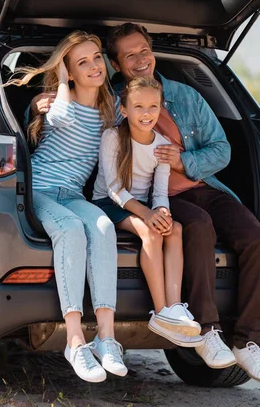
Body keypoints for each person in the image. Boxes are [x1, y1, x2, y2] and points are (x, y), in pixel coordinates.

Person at [30, 23, 260, 385]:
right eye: (129, 55)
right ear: (117, 65)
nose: (141, 59)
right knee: (191, 227)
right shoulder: (112, 105)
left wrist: (182, 162)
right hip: (130, 196)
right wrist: (37, 102)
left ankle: (247, 341)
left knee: (256, 239)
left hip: (197, 185)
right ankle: (201, 330)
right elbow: (63, 123)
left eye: (144, 50)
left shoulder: (184, 96)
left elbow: (221, 150)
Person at [8, 30, 127, 384]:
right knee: (72, 230)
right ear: (69, 72)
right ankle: (74, 341)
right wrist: (60, 81)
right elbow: (59, 119)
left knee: (103, 227)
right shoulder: (58, 100)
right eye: (82, 62)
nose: (94, 66)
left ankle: (106, 338)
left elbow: (138, 125)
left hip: (74, 194)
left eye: (96, 58)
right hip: (40, 189)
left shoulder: (111, 109)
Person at [92, 76, 203, 347]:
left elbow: (160, 192)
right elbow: (115, 189)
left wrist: (162, 211)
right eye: (139, 106)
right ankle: (160, 310)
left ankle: (175, 308)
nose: (146, 114)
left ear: (160, 108)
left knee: (174, 229)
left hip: (142, 206)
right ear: (124, 109)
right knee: (149, 233)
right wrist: (147, 215)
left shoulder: (162, 145)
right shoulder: (113, 137)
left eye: (153, 107)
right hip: (109, 203)